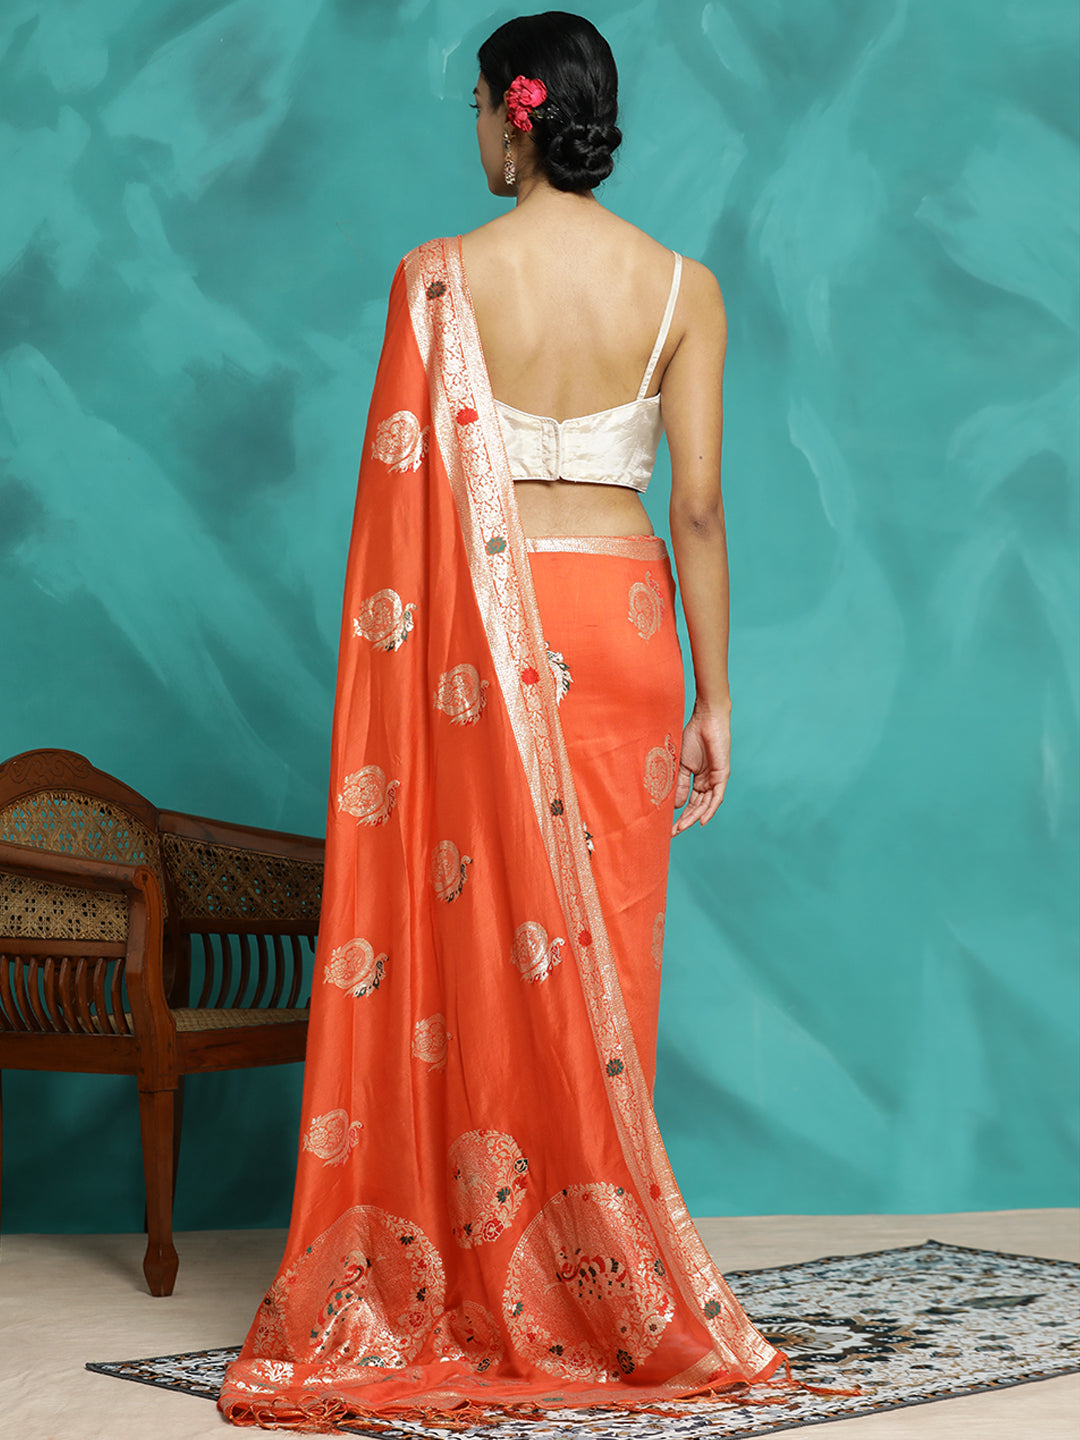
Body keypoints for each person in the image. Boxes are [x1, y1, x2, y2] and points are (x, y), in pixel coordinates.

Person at [219, 11, 801, 1430]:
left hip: (486, 639)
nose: (475, 131)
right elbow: (700, 509)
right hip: (625, 630)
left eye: (478, 108)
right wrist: (719, 698)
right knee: (607, 948)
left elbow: (400, 512)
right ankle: (606, 1286)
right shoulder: (686, 289)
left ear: (512, 117)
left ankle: (493, 1272)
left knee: (483, 936)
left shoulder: (440, 279)